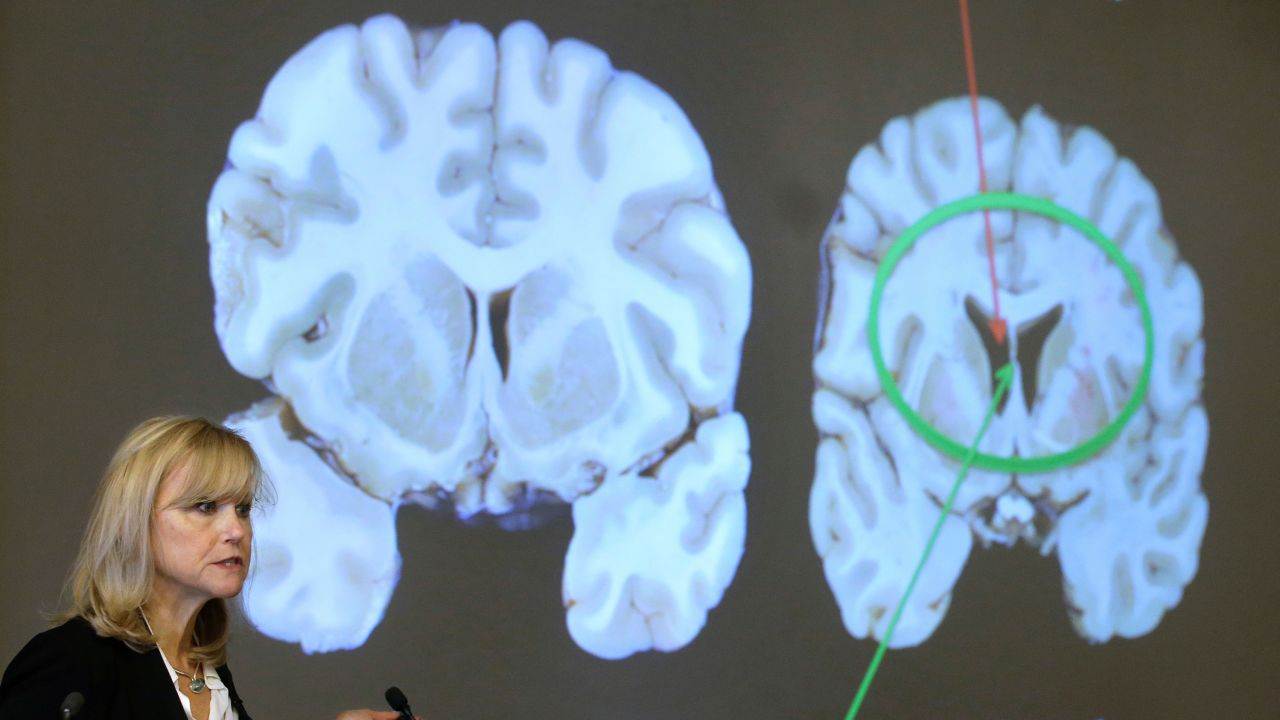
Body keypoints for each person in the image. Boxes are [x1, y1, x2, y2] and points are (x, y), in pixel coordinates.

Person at [0, 416, 409, 720]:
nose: (236, 530)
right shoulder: (71, 661)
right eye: (205, 507)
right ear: (135, 522)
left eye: (243, 509)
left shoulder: (206, 670)